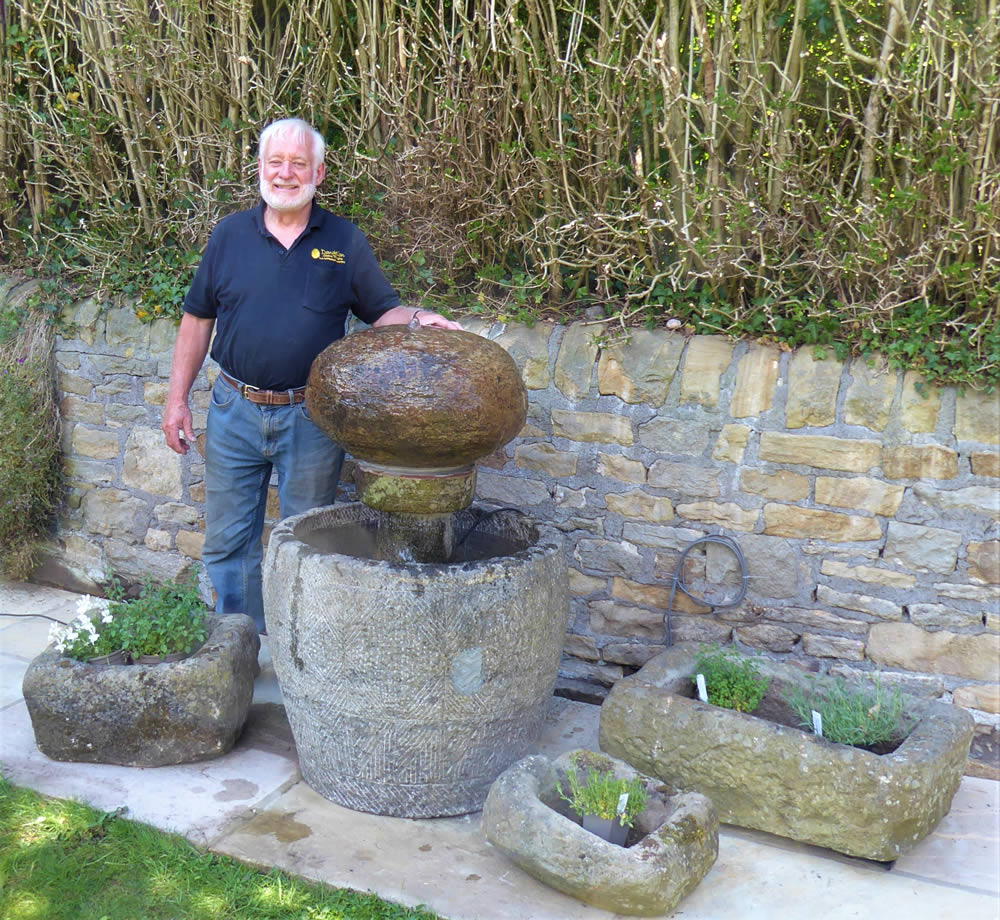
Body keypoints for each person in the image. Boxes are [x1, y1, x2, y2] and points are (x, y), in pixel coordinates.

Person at [161, 117, 461, 633]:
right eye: (275, 162)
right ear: (259, 168)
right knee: (228, 542)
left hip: (311, 417)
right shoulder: (229, 236)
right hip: (234, 410)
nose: (285, 173)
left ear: (318, 173)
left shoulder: (343, 240)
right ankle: (238, 646)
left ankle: (296, 651)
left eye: (298, 163)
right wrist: (176, 399)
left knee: (307, 542)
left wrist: (418, 318)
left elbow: (381, 310)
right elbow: (197, 319)